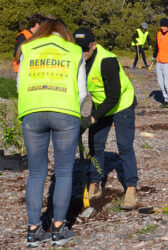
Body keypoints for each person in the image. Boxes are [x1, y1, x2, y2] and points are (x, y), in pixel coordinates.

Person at [16, 17, 87, 247]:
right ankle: (58, 228)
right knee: (64, 171)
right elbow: (82, 90)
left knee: (36, 173)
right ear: (63, 32)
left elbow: (19, 84)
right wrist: (73, 111)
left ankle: (33, 230)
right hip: (64, 111)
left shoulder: (28, 48)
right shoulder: (74, 51)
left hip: (32, 110)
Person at [74, 27, 139, 210]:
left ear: (93, 45)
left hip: (121, 104)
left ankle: (132, 187)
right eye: (77, 48)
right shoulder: (76, 61)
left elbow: (113, 96)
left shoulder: (107, 60)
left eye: (85, 49)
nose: (81, 53)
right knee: (95, 145)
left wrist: (91, 119)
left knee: (124, 146)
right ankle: (95, 183)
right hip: (101, 104)